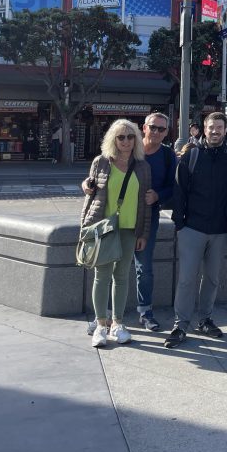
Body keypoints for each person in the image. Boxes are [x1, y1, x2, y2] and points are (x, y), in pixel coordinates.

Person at [165, 112, 227, 349]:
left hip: (219, 229)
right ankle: (181, 324)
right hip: (192, 228)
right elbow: (179, 190)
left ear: (225, 130)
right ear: (203, 130)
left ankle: (205, 319)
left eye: (219, 127)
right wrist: (180, 224)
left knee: (213, 279)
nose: (215, 131)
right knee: (186, 279)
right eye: (211, 127)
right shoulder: (192, 155)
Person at [80, 119, 151, 348]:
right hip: (105, 228)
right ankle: (101, 324)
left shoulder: (142, 165)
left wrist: (143, 233)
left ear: (136, 140)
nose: (126, 141)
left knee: (121, 277)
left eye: (130, 137)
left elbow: (145, 203)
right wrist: (86, 185)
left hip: (131, 229)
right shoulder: (101, 162)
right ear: (113, 139)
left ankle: (117, 323)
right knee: (102, 276)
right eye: (121, 137)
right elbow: (90, 190)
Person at [137, 112, 177, 331]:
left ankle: (145, 311)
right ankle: (105, 315)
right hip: (121, 216)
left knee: (144, 267)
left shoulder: (168, 155)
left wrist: (158, 196)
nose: (156, 132)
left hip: (148, 216)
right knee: (115, 264)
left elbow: (174, 187)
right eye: (153, 127)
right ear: (144, 127)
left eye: (162, 129)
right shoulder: (129, 148)